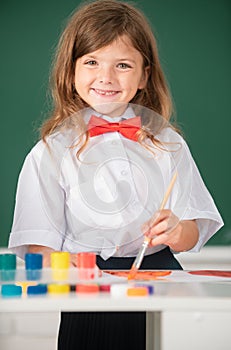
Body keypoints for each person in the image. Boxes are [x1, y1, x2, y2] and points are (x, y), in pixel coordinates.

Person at [8, 0, 223, 349]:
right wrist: (74, 279)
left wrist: (175, 229)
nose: (106, 77)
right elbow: (40, 244)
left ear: (144, 75)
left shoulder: (169, 144)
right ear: (71, 71)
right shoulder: (50, 152)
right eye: (92, 62)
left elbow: (193, 231)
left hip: (160, 277)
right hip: (86, 282)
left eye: (123, 65)